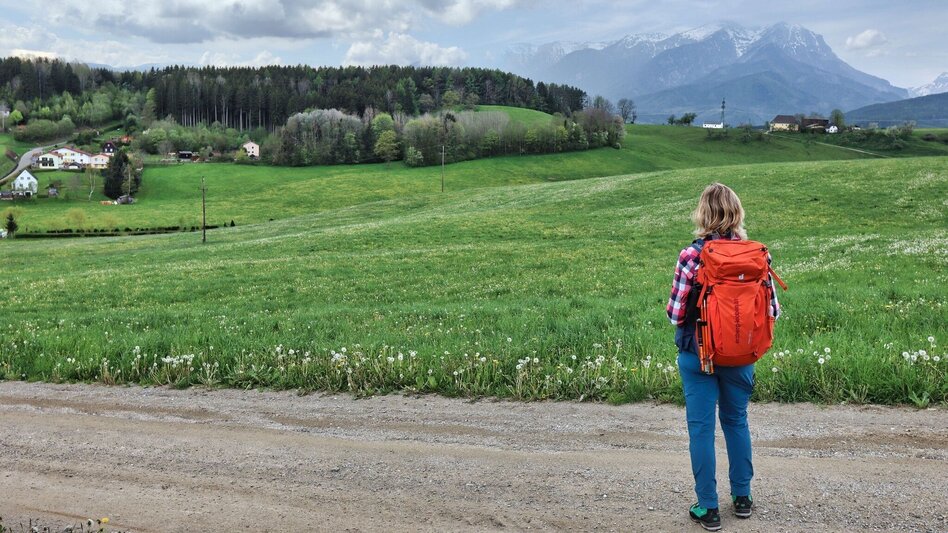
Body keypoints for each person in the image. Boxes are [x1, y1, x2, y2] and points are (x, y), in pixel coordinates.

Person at [666, 183, 780, 531]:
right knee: (736, 421)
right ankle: (742, 498)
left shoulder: (691, 256)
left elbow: (675, 313)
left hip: (698, 354)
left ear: (703, 214)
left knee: (701, 428)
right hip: (742, 353)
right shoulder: (758, 254)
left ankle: (708, 508)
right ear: (737, 213)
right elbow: (773, 309)